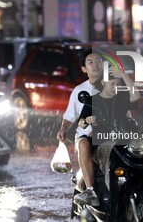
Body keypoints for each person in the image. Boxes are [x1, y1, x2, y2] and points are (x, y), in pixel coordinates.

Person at [57, 49, 103, 206]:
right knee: (83, 144)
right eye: (90, 62)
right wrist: (63, 128)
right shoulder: (79, 91)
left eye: (98, 61)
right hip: (86, 137)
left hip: (110, 135)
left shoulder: (114, 87)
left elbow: (125, 113)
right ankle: (91, 191)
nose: (95, 65)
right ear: (84, 69)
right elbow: (70, 116)